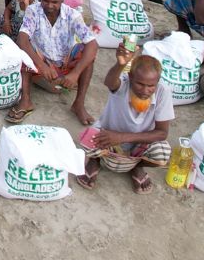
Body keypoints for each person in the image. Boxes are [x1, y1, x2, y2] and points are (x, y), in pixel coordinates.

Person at [74, 54, 173, 195]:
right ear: (130, 77)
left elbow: (162, 133)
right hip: (107, 141)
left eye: (151, 86)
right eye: (140, 84)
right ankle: (94, 161)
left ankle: (137, 166)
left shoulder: (163, 92)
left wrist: (122, 137)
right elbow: (109, 82)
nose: (145, 91)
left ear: (158, 82)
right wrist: (120, 64)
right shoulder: (122, 84)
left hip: (139, 145)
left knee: (163, 151)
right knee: (87, 137)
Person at [14, 0, 99, 126]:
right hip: (42, 65)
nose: (50, 6)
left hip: (65, 65)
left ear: (63, 0)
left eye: (55, 2)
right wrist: (41, 65)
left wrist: (75, 73)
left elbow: (92, 44)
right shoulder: (33, 11)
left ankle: (78, 104)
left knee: (87, 52)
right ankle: (26, 100)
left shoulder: (73, 15)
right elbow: (22, 38)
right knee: (23, 49)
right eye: (46, 1)